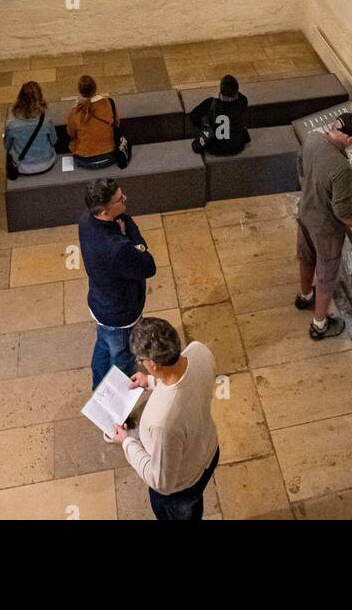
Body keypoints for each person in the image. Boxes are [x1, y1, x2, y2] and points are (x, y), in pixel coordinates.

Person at [111, 316, 219, 522]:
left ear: (153, 363)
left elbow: (162, 482)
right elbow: (186, 381)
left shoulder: (165, 423)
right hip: (209, 450)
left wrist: (127, 442)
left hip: (182, 485)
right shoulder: (199, 351)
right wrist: (151, 381)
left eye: (140, 360)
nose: (140, 364)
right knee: (194, 505)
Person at [295, 111, 352, 340]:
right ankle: (320, 324)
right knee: (326, 275)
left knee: (305, 256)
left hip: (305, 213)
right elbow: (343, 212)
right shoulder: (342, 168)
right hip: (326, 229)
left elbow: (300, 166)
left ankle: (305, 296)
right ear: (349, 139)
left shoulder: (311, 138)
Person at [79, 179, 157, 390]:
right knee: (123, 362)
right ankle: (118, 411)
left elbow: (124, 220)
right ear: (106, 211)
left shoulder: (86, 220)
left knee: (104, 347)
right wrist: (135, 242)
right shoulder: (118, 248)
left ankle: (98, 389)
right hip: (121, 312)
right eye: (120, 199)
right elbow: (149, 266)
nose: (125, 199)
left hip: (99, 303)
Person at [67, 74, 128, 169]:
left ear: (80, 92)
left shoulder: (74, 112)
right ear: (95, 88)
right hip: (110, 156)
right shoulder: (108, 103)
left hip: (84, 160)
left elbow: (71, 134)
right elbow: (117, 124)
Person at [3, 81, 58, 175]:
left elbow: (7, 146)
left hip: (22, 166)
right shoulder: (46, 120)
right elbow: (54, 140)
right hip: (47, 163)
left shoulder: (11, 123)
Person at [189, 74, 250, 156]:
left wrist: (206, 124)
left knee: (203, 116)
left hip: (215, 148)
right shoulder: (242, 101)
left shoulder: (210, 103)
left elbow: (193, 116)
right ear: (236, 91)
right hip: (237, 146)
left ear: (221, 92)